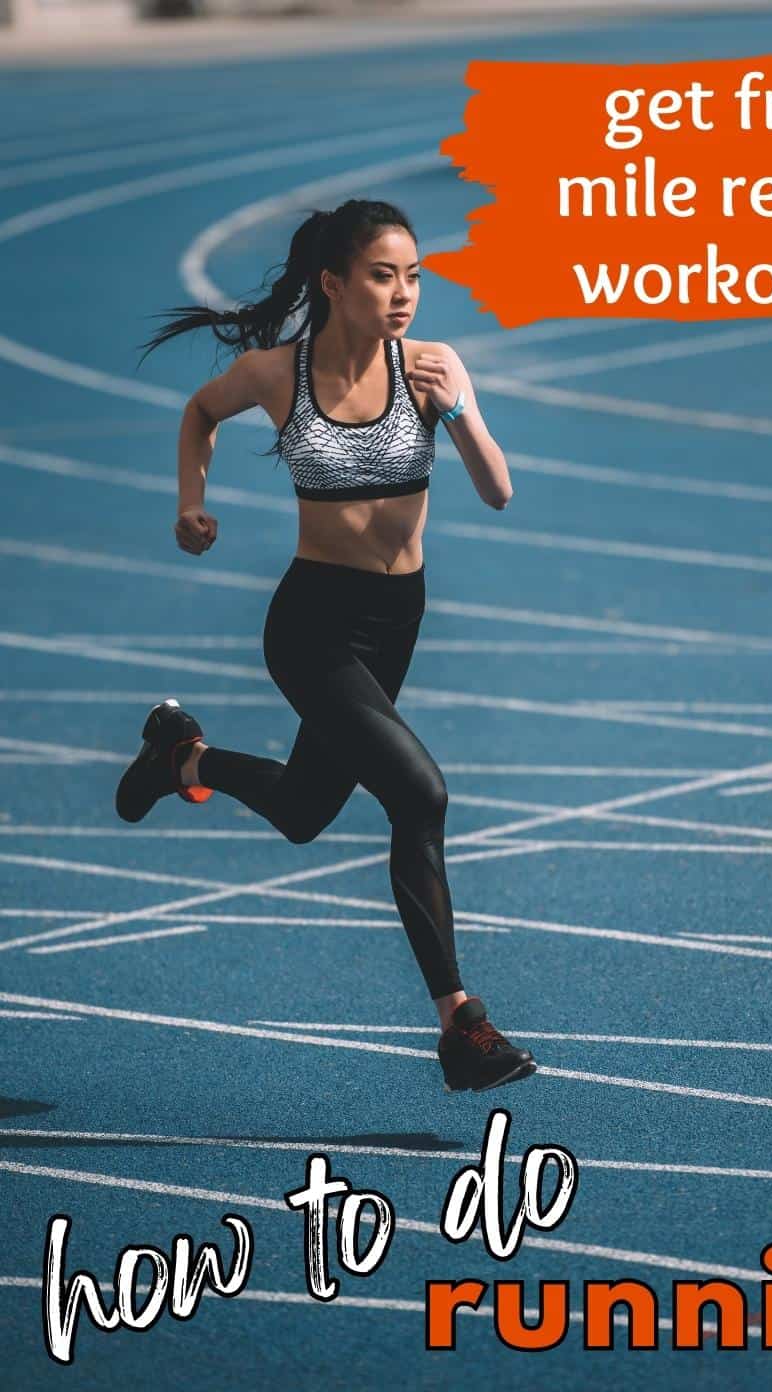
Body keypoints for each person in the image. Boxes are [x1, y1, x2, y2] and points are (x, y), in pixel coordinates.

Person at [115, 198, 536, 1094]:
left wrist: (455, 409)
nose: (404, 293)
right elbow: (199, 411)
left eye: (414, 275)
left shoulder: (433, 366)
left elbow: (498, 489)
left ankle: (182, 756)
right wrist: (190, 502)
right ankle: (461, 1025)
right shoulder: (279, 374)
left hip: (396, 623)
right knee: (419, 796)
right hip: (311, 626)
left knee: (306, 809)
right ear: (335, 283)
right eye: (384, 275)